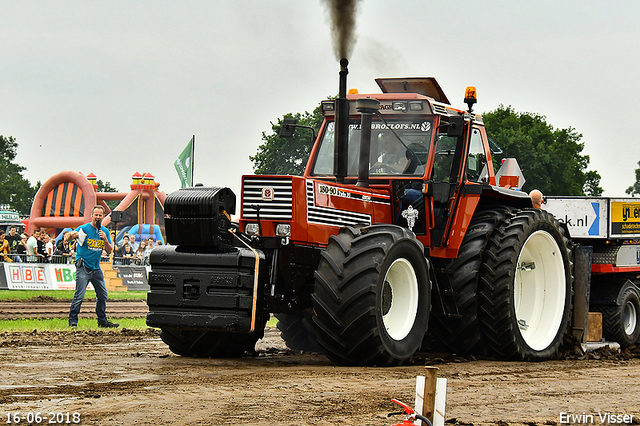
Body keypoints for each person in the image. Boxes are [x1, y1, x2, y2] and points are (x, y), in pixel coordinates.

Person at [68, 205, 119, 328]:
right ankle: (73, 322)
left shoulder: (105, 231)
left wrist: (106, 240)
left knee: (103, 295)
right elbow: (70, 236)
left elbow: (109, 251)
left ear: (103, 217)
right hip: (83, 266)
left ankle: (102, 320)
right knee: (79, 295)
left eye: (100, 215)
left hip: (96, 268)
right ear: (92, 216)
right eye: (95, 215)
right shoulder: (84, 229)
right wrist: (70, 236)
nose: (97, 217)